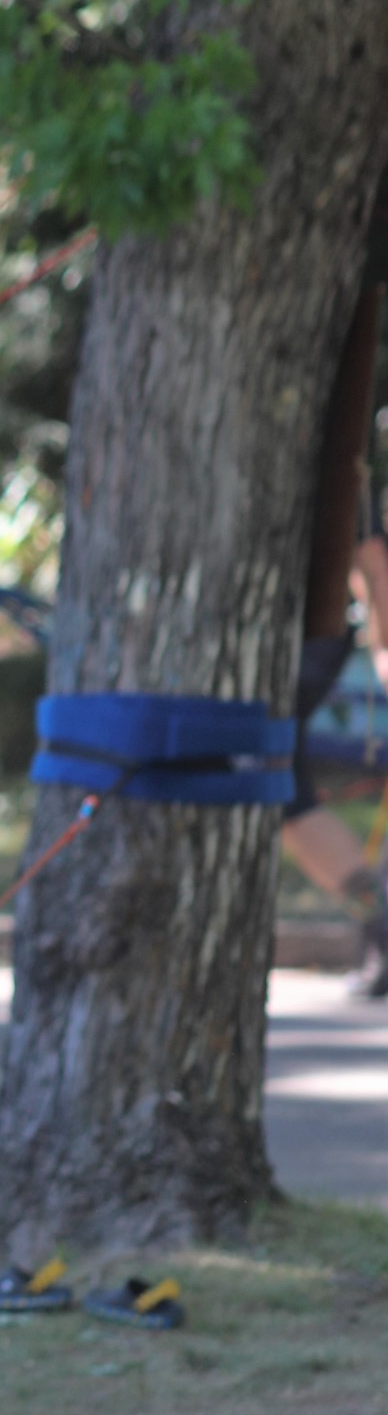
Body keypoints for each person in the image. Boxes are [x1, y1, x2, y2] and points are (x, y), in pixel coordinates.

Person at [278, 279, 388, 993]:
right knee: (268, 785)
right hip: (300, 632)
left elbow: (372, 563)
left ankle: (381, 919)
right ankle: (380, 919)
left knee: (264, 781)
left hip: (307, 636)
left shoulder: (335, 431)